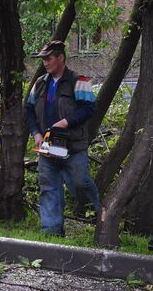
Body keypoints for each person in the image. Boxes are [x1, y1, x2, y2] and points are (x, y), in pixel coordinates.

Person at [26, 40, 100, 236]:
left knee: (80, 183)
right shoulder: (40, 83)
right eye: (43, 60)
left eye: (49, 59)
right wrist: (36, 133)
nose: (45, 63)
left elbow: (89, 108)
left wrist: (66, 121)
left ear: (61, 58)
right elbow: (28, 110)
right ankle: (52, 232)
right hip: (49, 146)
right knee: (49, 187)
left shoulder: (79, 80)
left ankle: (101, 216)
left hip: (73, 146)